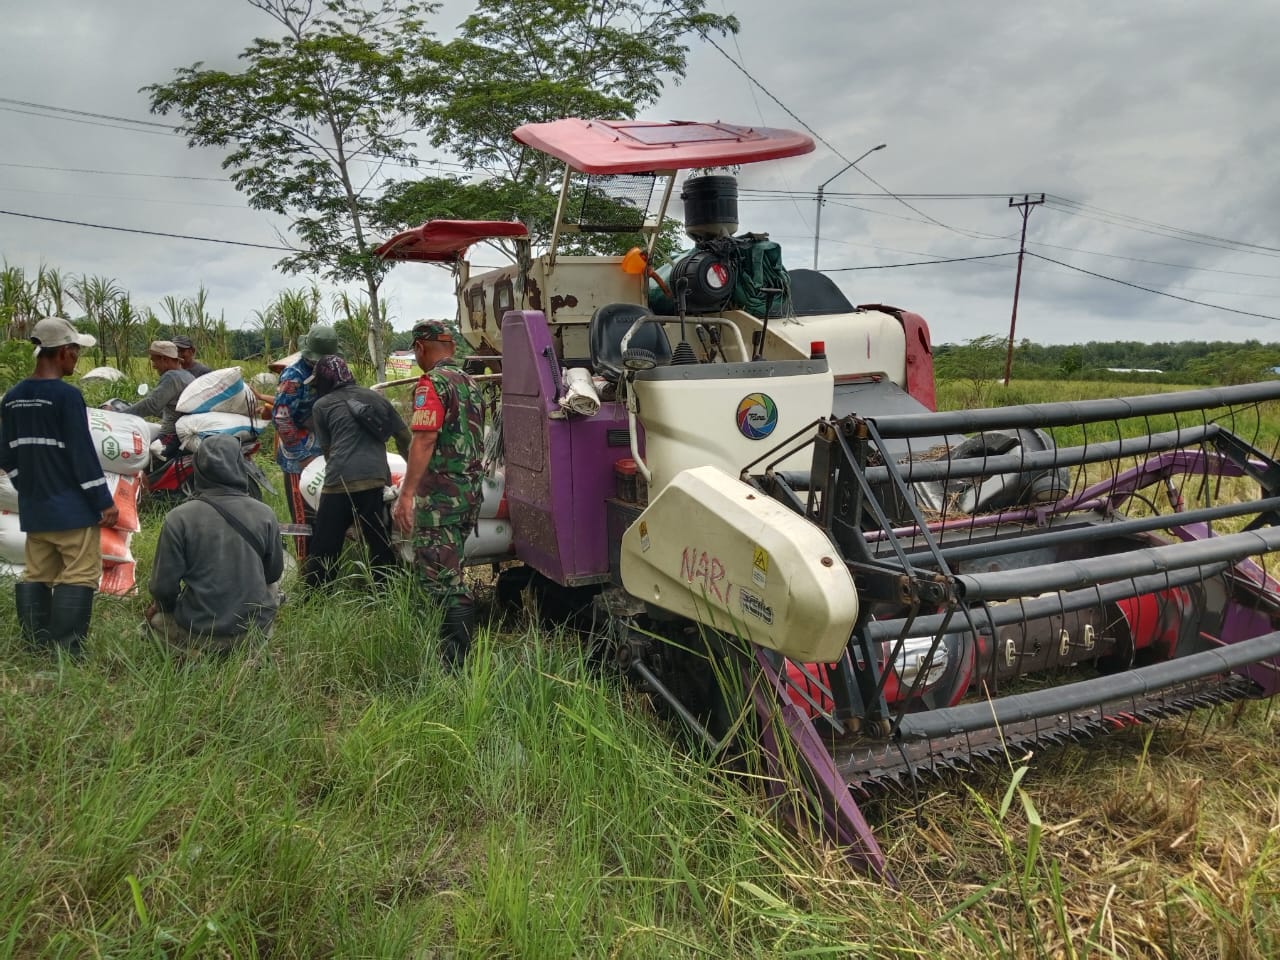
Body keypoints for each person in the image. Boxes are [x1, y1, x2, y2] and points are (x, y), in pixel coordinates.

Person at [0, 317, 119, 656]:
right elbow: (81, 455)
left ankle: (35, 646)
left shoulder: (12, 398)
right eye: (76, 352)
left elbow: (5, 454)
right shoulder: (67, 397)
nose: (77, 359)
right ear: (64, 351)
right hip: (72, 512)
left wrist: (27, 487)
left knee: (37, 574)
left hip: (35, 509)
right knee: (79, 575)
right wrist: (103, 500)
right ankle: (66, 651)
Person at [392, 320, 486, 669]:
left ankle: (455, 667)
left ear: (420, 348)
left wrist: (406, 495)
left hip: (440, 500)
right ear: (452, 347)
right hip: (468, 494)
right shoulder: (470, 383)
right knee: (450, 569)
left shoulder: (432, 383)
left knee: (441, 578)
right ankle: (451, 655)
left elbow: (425, 439)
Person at [145, 433, 284, 656]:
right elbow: (273, 573)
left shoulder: (178, 518)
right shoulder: (265, 514)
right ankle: (251, 651)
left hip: (198, 631)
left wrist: (164, 608)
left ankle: (191, 653)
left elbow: (163, 588)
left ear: (198, 467)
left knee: (158, 620)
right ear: (240, 465)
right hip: (252, 632)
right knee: (274, 588)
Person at [304, 355, 411, 588]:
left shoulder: (321, 406)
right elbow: (404, 439)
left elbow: (328, 452)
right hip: (376, 481)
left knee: (325, 546)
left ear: (326, 380)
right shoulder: (377, 398)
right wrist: (415, 475)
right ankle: (385, 593)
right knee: (380, 543)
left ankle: (316, 595)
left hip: (339, 482)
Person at [273, 324, 339, 563]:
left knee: (326, 514)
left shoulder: (332, 371)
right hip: (298, 457)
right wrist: (302, 456)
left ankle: (326, 563)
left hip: (325, 452)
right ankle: (306, 569)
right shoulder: (293, 377)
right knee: (304, 520)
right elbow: (282, 418)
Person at [124, 340, 195, 461]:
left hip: (170, 435)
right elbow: (173, 408)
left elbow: (151, 405)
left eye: (154, 360)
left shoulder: (171, 376)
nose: (153, 365)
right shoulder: (187, 375)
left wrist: (121, 414)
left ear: (164, 359)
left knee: (139, 459)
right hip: (183, 434)